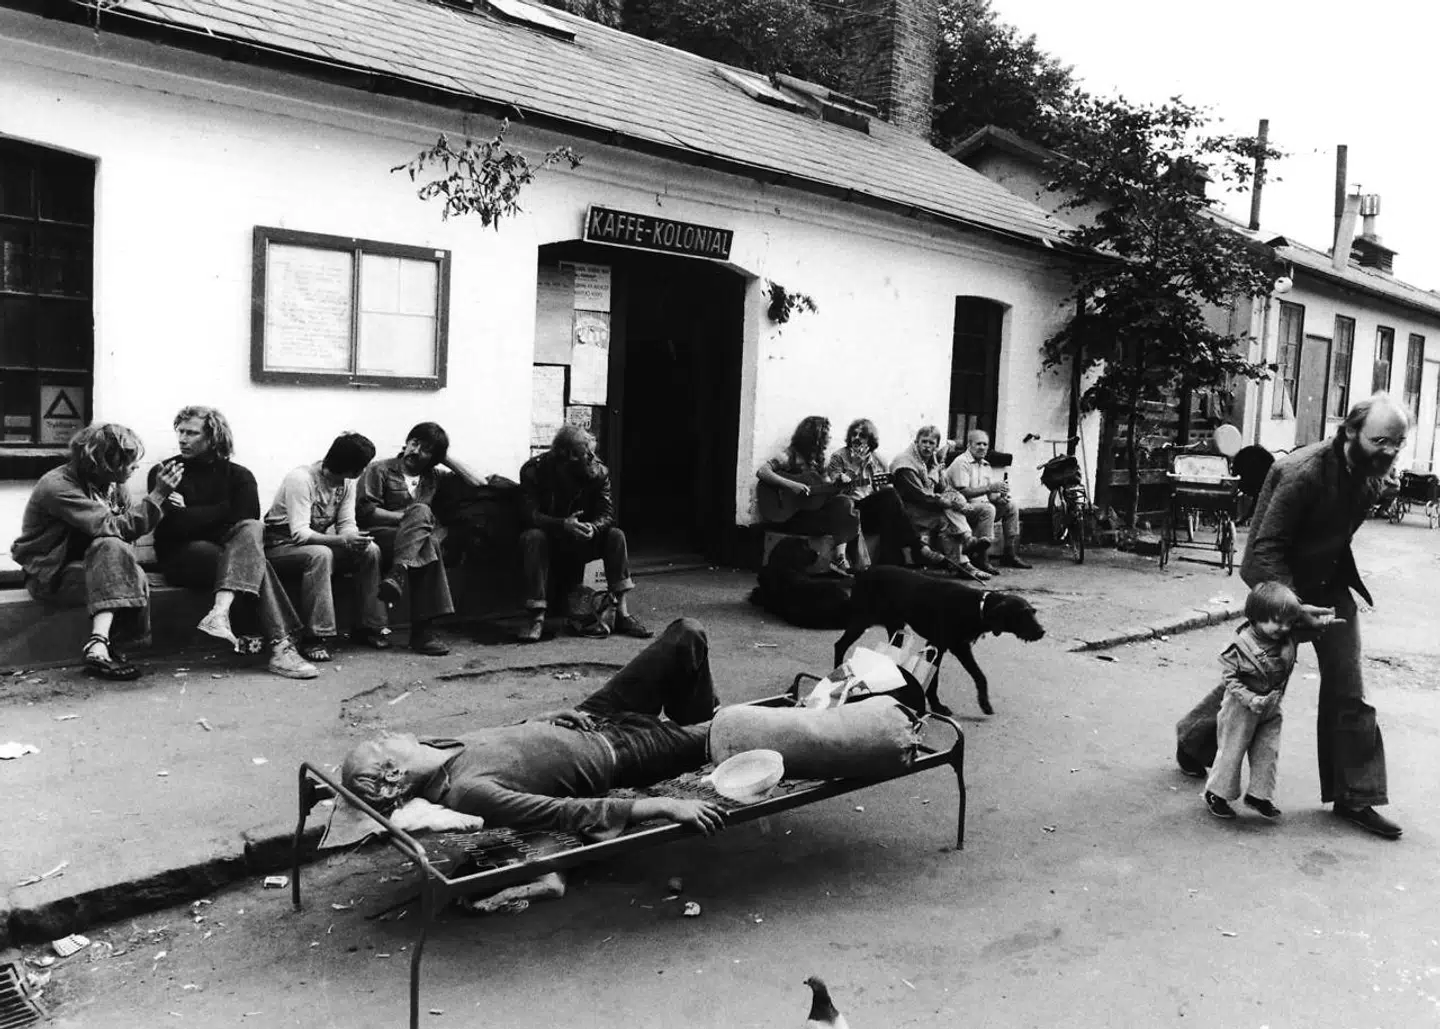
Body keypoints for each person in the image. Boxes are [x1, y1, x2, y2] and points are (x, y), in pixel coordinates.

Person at [1177, 393, 1409, 840]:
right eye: (1381, 440)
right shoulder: (1301, 473)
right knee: (1260, 675)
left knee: (1348, 686)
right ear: (1351, 432)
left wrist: (1380, 492)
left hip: (1329, 585)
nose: (1390, 451)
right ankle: (1194, 741)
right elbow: (1263, 549)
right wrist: (1291, 608)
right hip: (1281, 582)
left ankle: (1354, 795)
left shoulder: (1372, 475)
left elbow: (1337, 528)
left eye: (1397, 442)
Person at [340, 617, 726, 837]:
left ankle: (698, 724)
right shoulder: (468, 792)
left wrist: (538, 721)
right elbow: (564, 813)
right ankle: (703, 734)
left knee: (687, 633)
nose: (386, 735)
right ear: (393, 776)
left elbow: (505, 743)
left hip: (592, 715)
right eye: (380, 745)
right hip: (621, 751)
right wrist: (665, 805)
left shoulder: (437, 746)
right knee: (733, 729)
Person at [147, 407, 317, 680]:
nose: (182, 439)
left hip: (226, 552)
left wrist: (192, 511)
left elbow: (246, 521)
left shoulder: (240, 476)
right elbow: (176, 526)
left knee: (252, 530)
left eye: (192, 433)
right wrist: (224, 510)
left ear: (213, 437)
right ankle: (281, 646)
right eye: (180, 431)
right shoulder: (166, 472)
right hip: (181, 555)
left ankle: (223, 614)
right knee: (250, 558)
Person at [11, 423, 182, 680]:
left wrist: (162, 503)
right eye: (128, 461)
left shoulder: (113, 486)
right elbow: (116, 528)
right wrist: (157, 496)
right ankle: (100, 643)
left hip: (94, 569)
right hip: (52, 577)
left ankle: (103, 646)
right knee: (111, 546)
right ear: (103, 462)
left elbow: (126, 540)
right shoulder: (57, 486)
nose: (135, 467)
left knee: (123, 561)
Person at [516, 425, 652, 644]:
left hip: (583, 538)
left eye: (592, 452)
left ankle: (622, 613)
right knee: (532, 537)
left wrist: (593, 527)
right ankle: (536, 616)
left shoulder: (598, 472)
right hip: (551, 537)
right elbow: (529, 514)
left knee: (615, 536)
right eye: (586, 454)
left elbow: (607, 513)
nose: (591, 457)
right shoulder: (534, 471)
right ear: (569, 455)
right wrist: (562, 524)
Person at [263, 432, 386, 663]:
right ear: (351, 467)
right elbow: (300, 534)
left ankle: (369, 626)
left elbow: (346, 523)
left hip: (311, 543)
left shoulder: (347, 483)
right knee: (321, 555)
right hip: (280, 545)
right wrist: (343, 541)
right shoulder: (301, 479)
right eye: (362, 466)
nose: (363, 471)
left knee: (371, 550)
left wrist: (354, 538)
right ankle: (316, 636)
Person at [1202, 582, 1302, 822]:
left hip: (1270, 707)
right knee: (1232, 750)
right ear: (1257, 616)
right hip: (1240, 708)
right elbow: (1229, 679)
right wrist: (1250, 698)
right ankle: (1217, 794)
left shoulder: (1284, 639)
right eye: (1277, 621)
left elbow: (1306, 623)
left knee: (1268, 751)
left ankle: (1259, 795)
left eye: (1288, 622)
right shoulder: (1239, 645)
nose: (1284, 627)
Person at [357, 422, 458, 657]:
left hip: (414, 542)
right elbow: (365, 511)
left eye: (426, 449)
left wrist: (445, 459)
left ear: (434, 458)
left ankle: (398, 572)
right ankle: (423, 633)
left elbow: (478, 482)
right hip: (381, 535)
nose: (415, 451)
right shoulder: (380, 469)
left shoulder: (434, 477)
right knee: (422, 516)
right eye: (414, 443)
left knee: (428, 543)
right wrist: (410, 518)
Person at [824, 418, 955, 572]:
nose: (857, 438)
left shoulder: (877, 459)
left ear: (870, 440)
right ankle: (918, 548)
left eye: (862, 436)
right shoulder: (839, 457)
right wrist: (855, 466)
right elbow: (835, 488)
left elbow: (885, 488)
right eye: (854, 434)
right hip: (849, 511)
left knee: (891, 505)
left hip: (870, 510)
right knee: (889, 498)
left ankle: (893, 563)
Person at [757, 415, 863, 574]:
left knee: (845, 504)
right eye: (826, 435)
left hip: (811, 514)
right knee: (845, 518)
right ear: (815, 437)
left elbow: (825, 490)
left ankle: (840, 558)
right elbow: (762, 471)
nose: (829, 439)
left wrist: (839, 484)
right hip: (790, 517)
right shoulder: (790, 455)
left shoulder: (820, 461)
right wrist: (792, 485)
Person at [888, 425, 989, 582]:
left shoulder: (928, 459)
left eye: (931, 443)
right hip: (907, 511)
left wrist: (950, 492)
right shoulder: (906, 465)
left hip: (925, 508)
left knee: (951, 511)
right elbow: (920, 496)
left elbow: (943, 487)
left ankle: (964, 556)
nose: (927, 446)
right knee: (947, 518)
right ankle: (964, 559)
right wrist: (947, 502)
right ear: (916, 442)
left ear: (936, 446)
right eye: (924, 442)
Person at [944, 429, 1031, 573]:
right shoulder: (961, 462)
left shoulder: (986, 465)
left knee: (1011, 506)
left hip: (979, 508)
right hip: (961, 509)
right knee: (988, 509)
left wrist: (1000, 498)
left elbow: (991, 497)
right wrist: (990, 488)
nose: (982, 447)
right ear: (969, 445)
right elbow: (964, 492)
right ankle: (982, 558)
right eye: (978, 444)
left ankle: (1009, 553)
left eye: (985, 444)